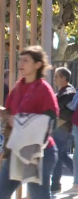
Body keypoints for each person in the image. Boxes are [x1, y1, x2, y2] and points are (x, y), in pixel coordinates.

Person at [0, 46, 59, 199]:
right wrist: (6, 116)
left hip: (40, 151)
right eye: (21, 60)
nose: (21, 63)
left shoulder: (44, 89)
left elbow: (51, 119)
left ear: (38, 65)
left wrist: (20, 121)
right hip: (18, 149)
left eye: (26, 60)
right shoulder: (18, 87)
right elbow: (9, 113)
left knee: (39, 196)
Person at [51, 67, 78, 193]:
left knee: (58, 155)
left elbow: (66, 112)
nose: (54, 79)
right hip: (60, 128)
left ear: (63, 77)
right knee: (61, 154)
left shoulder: (69, 92)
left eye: (56, 76)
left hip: (63, 128)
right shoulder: (63, 92)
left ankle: (55, 183)